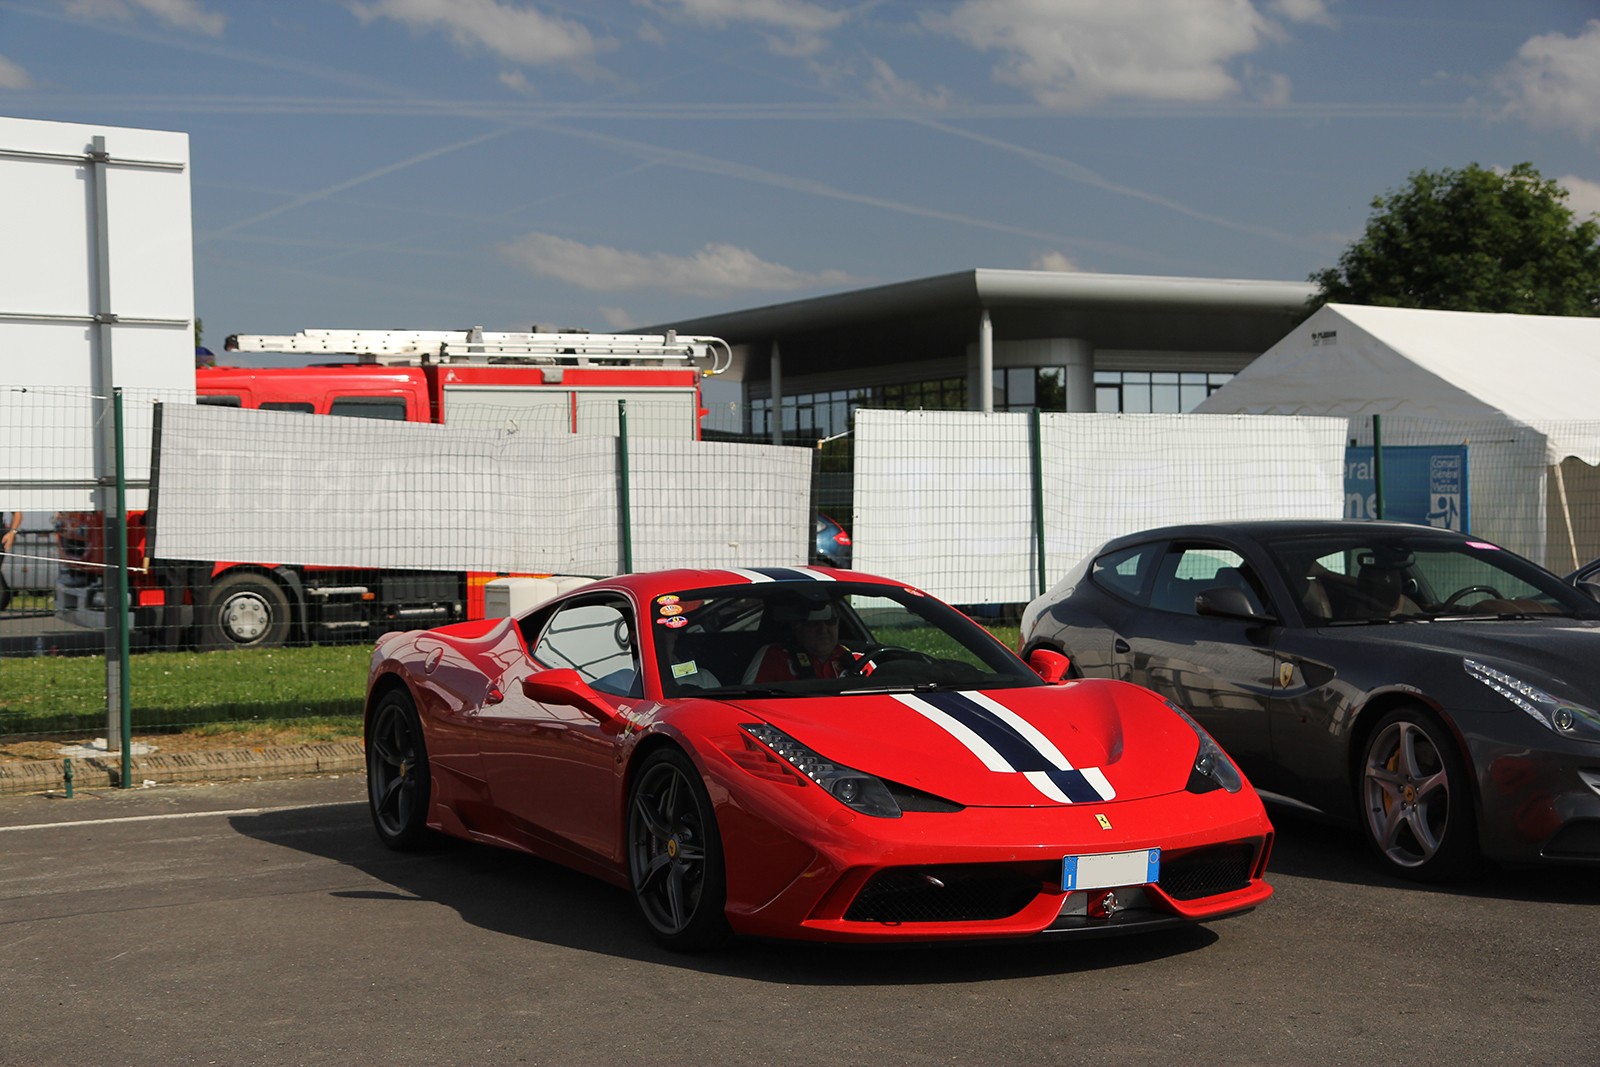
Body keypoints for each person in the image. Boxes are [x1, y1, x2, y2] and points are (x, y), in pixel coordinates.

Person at [745, 597, 854, 682]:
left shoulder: (854, 657)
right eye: (814, 622)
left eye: (830, 621)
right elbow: (748, 701)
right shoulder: (774, 656)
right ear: (797, 626)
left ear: (838, 623)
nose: (823, 629)